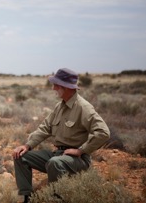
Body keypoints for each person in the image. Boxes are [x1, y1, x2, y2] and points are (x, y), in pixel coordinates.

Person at [12, 68, 110, 203]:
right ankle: (27, 198)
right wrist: (27, 145)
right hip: (58, 155)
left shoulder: (83, 107)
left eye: (56, 85)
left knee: (54, 163)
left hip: (78, 159)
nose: (53, 88)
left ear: (67, 87)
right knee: (20, 156)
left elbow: (103, 132)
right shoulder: (60, 106)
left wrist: (80, 150)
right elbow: (45, 128)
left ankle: (57, 199)